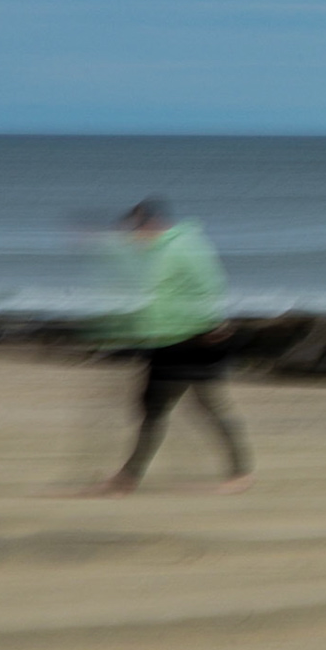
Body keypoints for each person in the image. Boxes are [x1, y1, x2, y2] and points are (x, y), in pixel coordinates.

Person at [82, 199, 252, 496]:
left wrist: (210, 325)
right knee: (178, 408)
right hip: (171, 339)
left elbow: (209, 284)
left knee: (167, 410)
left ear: (151, 224)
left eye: (135, 231)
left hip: (190, 340)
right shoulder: (168, 248)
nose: (133, 238)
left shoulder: (182, 248)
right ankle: (238, 471)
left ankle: (128, 479)